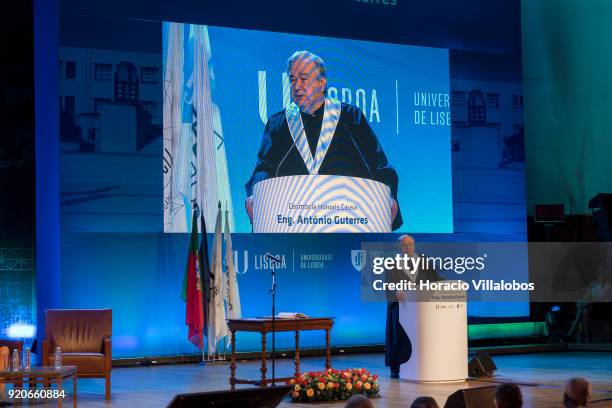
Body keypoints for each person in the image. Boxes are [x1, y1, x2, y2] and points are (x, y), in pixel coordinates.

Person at [245, 50, 402, 230]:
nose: (296, 86)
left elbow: (380, 167)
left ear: (322, 83)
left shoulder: (350, 119)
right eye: (292, 79)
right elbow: (263, 168)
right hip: (293, 230)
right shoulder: (278, 124)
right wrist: (254, 195)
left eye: (303, 79)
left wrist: (389, 197)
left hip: (348, 226)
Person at [385, 235, 442, 378]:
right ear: (399, 247)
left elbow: (435, 278)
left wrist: (451, 284)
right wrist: (396, 291)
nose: (408, 247)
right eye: (405, 245)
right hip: (401, 305)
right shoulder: (392, 262)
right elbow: (388, 283)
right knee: (400, 336)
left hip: (420, 305)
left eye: (411, 244)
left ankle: (422, 363)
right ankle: (397, 367)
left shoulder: (423, 260)